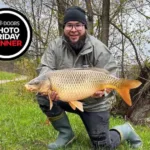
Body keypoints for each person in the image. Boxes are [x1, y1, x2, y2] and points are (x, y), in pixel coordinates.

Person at [36, 6, 142, 150]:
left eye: (78, 25)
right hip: (66, 96)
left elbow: (111, 75)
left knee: (102, 146)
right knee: (42, 94)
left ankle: (126, 130)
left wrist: (104, 92)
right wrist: (49, 86)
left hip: (93, 103)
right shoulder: (55, 46)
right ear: (64, 27)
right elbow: (45, 68)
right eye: (69, 25)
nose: (73, 30)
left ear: (85, 27)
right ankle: (66, 134)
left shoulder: (98, 48)